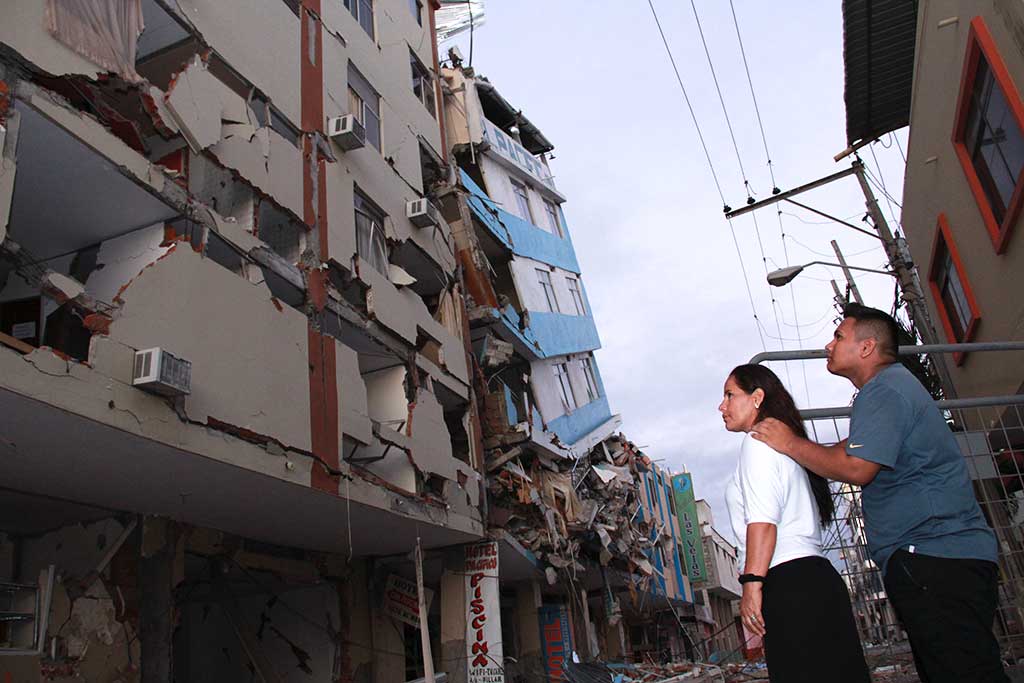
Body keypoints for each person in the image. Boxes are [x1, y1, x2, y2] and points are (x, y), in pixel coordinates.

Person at [753, 303, 1006, 683]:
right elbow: (847, 451)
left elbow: (856, 468)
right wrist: (796, 446)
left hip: (935, 556)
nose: (829, 345)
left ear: (867, 347)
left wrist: (789, 442)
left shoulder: (884, 392)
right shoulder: (890, 390)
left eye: (838, 336)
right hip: (939, 558)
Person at [720, 364, 869, 683]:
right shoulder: (785, 443)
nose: (722, 406)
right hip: (816, 579)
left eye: (730, 395)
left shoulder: (757, 443)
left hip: (789, 584)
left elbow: (762, 522)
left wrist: (751, 584)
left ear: (757, 397)